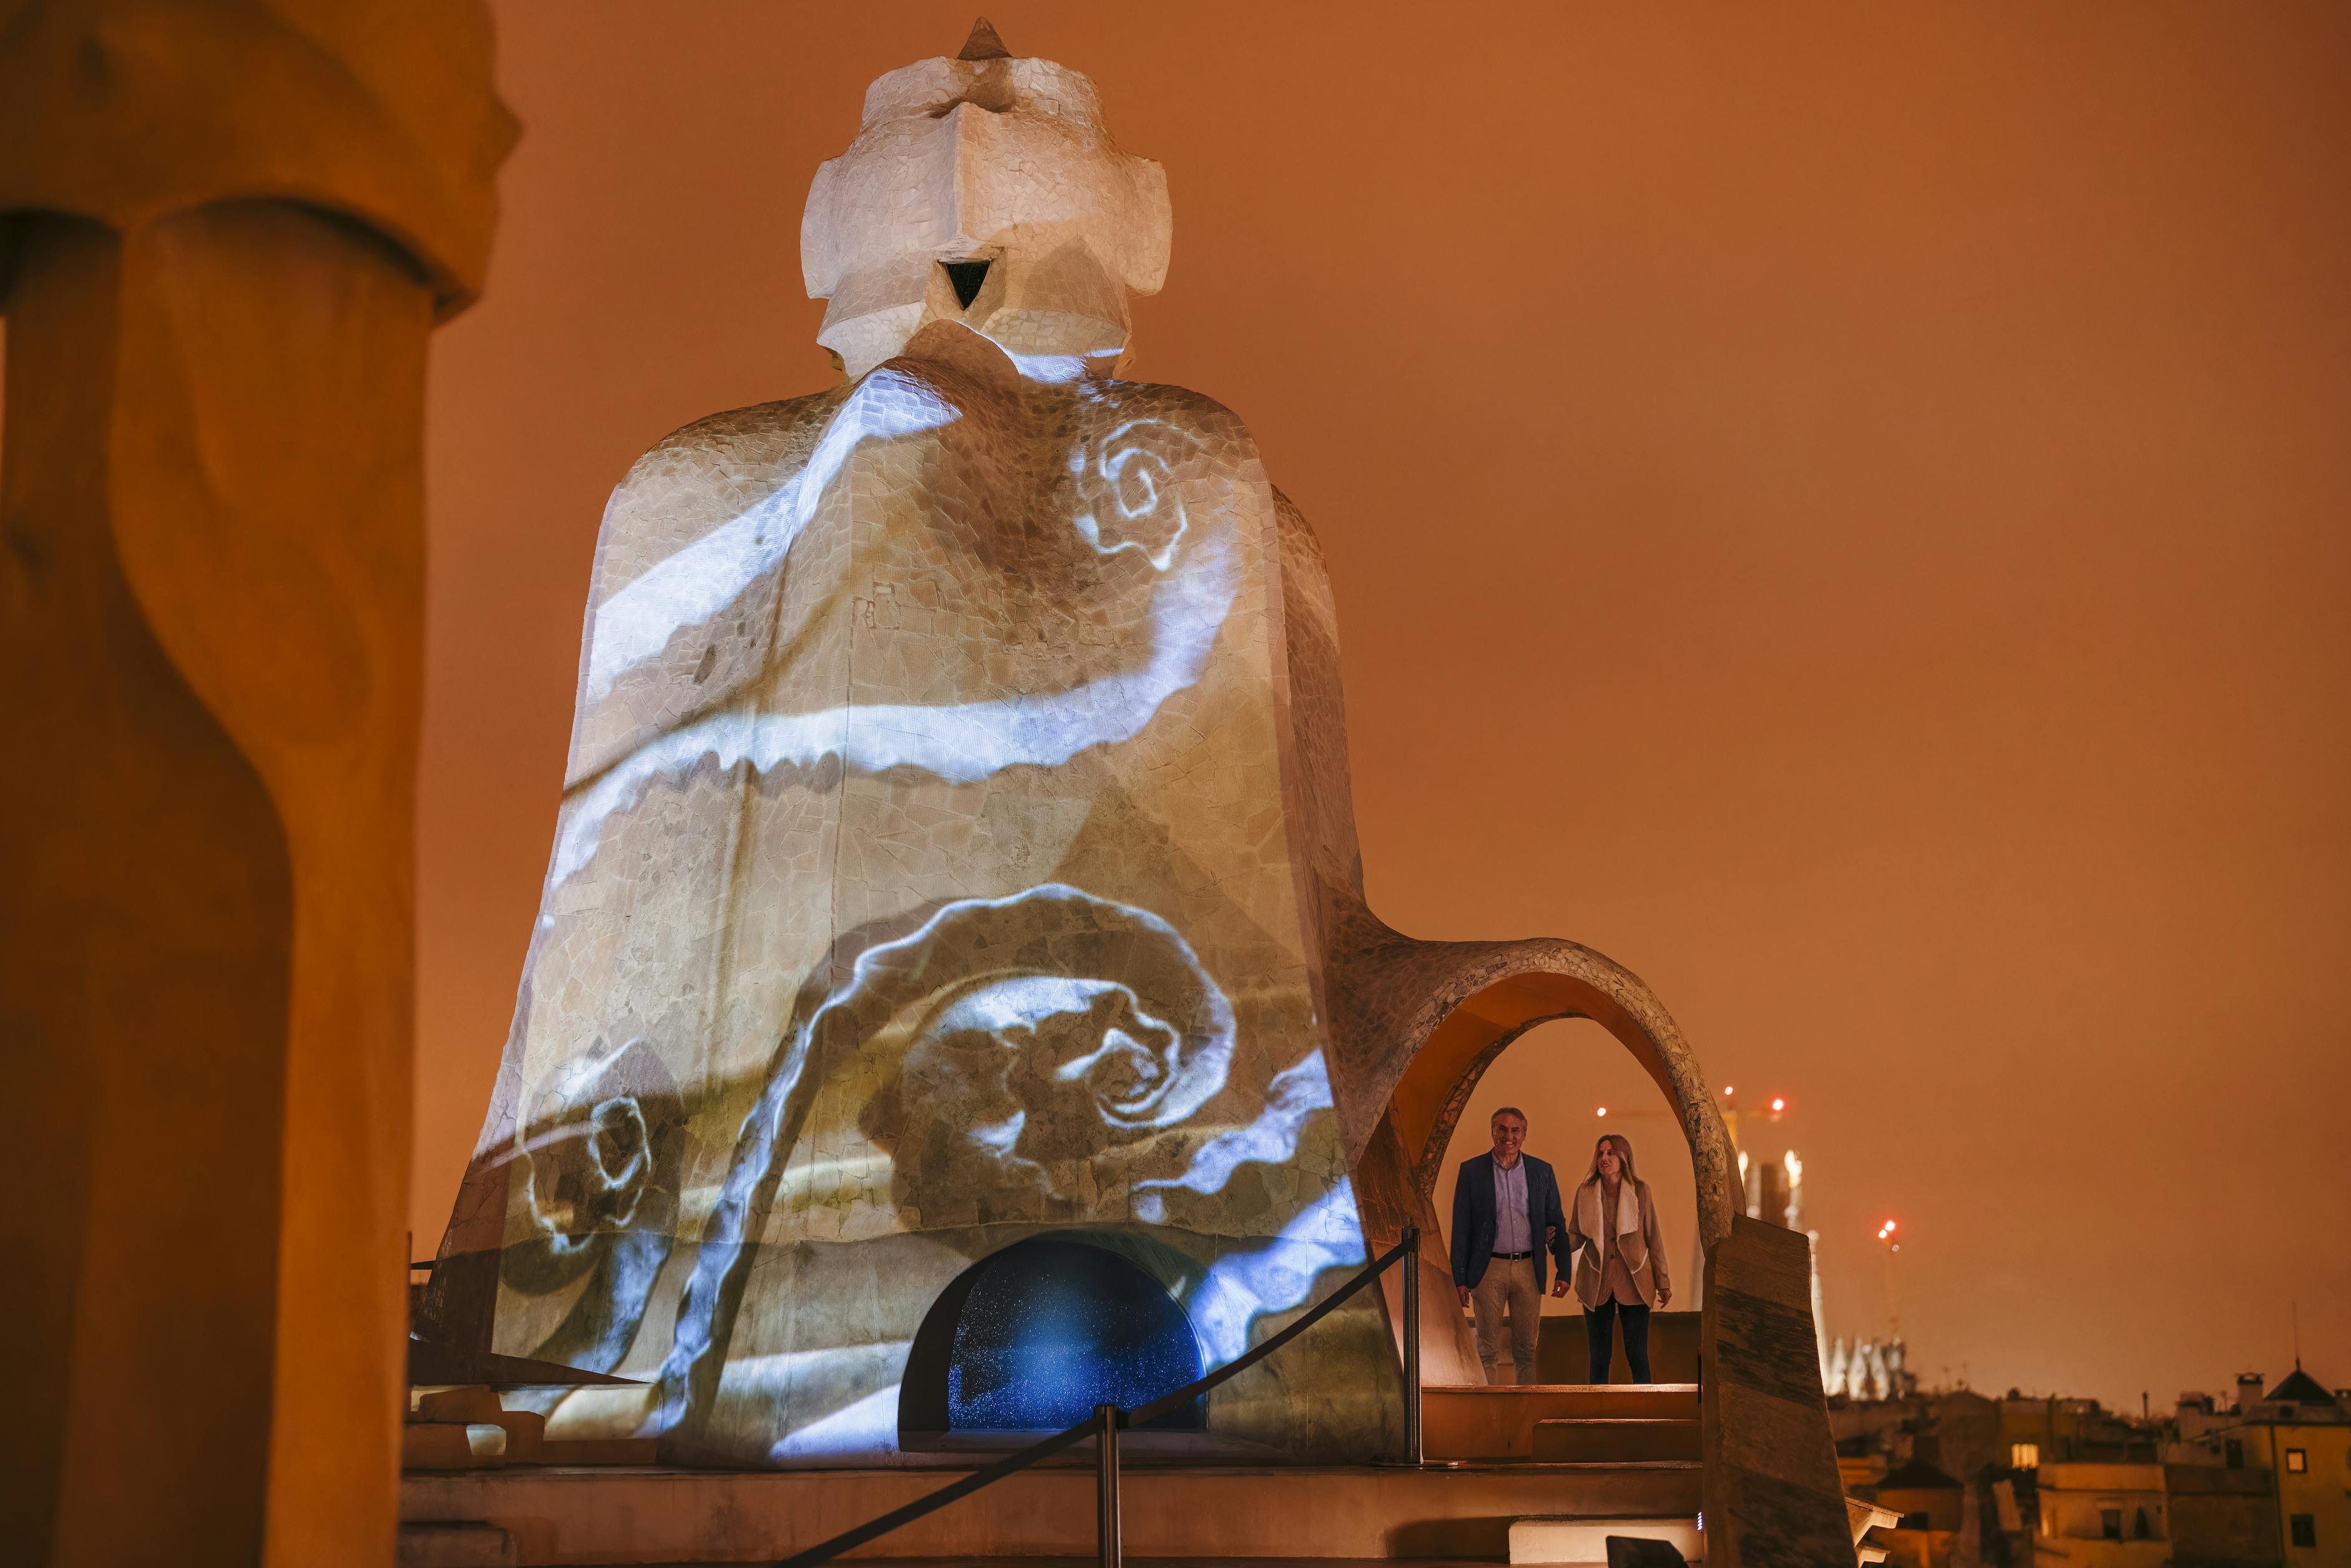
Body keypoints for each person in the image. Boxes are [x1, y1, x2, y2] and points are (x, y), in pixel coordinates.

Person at [1450, 1106, 1570, 1385]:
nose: (1508, 1136)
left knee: (1527, 1350)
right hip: (1488, 1268)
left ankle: (1524, 1416)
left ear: (1524, 1134)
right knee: (1487, 1351)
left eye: (1515, 1130)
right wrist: (1459, 1278)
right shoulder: (1471, 1171)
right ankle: (1488, 1416)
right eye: (1502, 1129)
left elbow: (1556, 1222)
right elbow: (1461, 1227)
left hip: (1529, 1267)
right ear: (1492, 1131)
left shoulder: (1542, 1171)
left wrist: (1564, 1271)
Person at [1563, 1132, 1672, 1383]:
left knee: (1637, 1355)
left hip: (1635, 1281)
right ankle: (1597, 1414)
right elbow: (1576, 1237)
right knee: (1599, 1357)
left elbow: (1653, 1238)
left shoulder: (1641, 1191)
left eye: (1610, 1153)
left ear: (1624, 1157)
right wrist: (1553, 1239)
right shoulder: (1586, 1192)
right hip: (1596, 1281)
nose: (1604, 1158)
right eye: (1600, 1153)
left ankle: (1645, 1412)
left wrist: (1663, 1282)